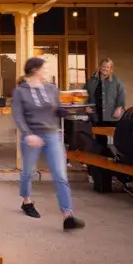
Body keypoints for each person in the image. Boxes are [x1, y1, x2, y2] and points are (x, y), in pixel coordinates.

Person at [12, 57, 86, 230]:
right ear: (35, 70)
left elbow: (57, 110)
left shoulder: (52, 89)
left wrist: (76, 108)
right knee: (28, 172)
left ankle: (68, 215)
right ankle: (27, 201)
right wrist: (28, 134)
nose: (47, 71)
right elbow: (18, 116)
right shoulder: (20, 92)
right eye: (45, 68)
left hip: (52, 134)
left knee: (60, 174)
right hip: (31, 135)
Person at [85, 58, 126, 125]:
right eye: (103, 66)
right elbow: (85, 94)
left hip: (112, 114)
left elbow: (121, 95)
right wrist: (86, 107)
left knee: (114, 134)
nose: (105, 69)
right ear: (100, 67)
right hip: (96, 114)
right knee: (99, 134)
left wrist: (119, 108)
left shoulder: (116, 82)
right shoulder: (92, 81)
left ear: (111, 69)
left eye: (107, 67)